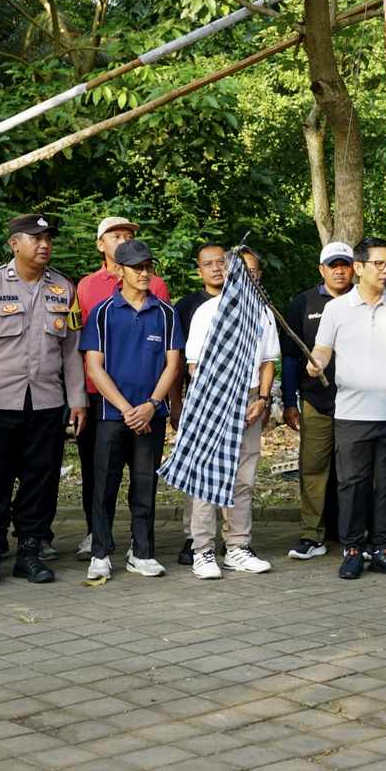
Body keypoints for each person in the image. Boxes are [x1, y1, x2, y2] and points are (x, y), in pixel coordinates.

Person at [0, 214, 87, 588]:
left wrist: (77, 399)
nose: (44, 245)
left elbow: (71, 350)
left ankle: (30, 552)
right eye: (36, 238)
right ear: (14, 244)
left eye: (48, 239)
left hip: (47, 402)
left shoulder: (64, 288)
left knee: (40, 480)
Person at [308, 237, 386, 580]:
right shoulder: (337, 309)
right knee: (352, 485)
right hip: (352, 414)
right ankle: (352, 550)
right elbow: (322, 350)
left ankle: (384, 550)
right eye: (379, 263)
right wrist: (316, 363)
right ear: (359, 267)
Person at [79, 239, 183, 580]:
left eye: (148, 266)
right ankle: (100, 553)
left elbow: (173, 365)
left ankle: (142, 552)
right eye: (137, 267)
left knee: (144, 485)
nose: (144, 273)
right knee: (104, 485)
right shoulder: (103, 312)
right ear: (120, 271)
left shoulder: (166, 313)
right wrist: (127, 409)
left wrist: (152, 405)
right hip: (112, 415)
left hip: (152, 415)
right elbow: (94, 367)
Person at [184, 247, 280, 579]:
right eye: (242, 271)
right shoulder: (208, 312)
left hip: (251, 399)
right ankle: (203, 550)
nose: (247, 278)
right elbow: (194, 365)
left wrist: (262, 399)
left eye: (253, 272)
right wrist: (222, 398)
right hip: (213, 398)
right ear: (228, 273)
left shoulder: (264, 314)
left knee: (243, 477)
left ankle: (238, 546)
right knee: (207, 475)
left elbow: (268, 361)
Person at [281, 240, 357, 561]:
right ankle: (312, 535)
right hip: (316, 400)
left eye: (344, 265)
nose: (339, 271)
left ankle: (357, 535)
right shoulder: (303, 303)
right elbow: (289, 357)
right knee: (313, 468)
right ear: (321, 270)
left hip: (359, 403)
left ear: (355, 269)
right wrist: (289, 401)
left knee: (357, 471)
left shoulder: (364, 300)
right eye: (333, 266)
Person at [171, 241, 228, 566]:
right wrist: (176, 403)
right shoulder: (187, 306)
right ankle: (194, 537)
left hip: (237, 399)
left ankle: (234, 540)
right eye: (209, 263)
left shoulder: (243, 302)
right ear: (199, 270)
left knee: (236, 471)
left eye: (222, 261)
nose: (216, 268)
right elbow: (177, 361)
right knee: (198, 468)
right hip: (199, 400)